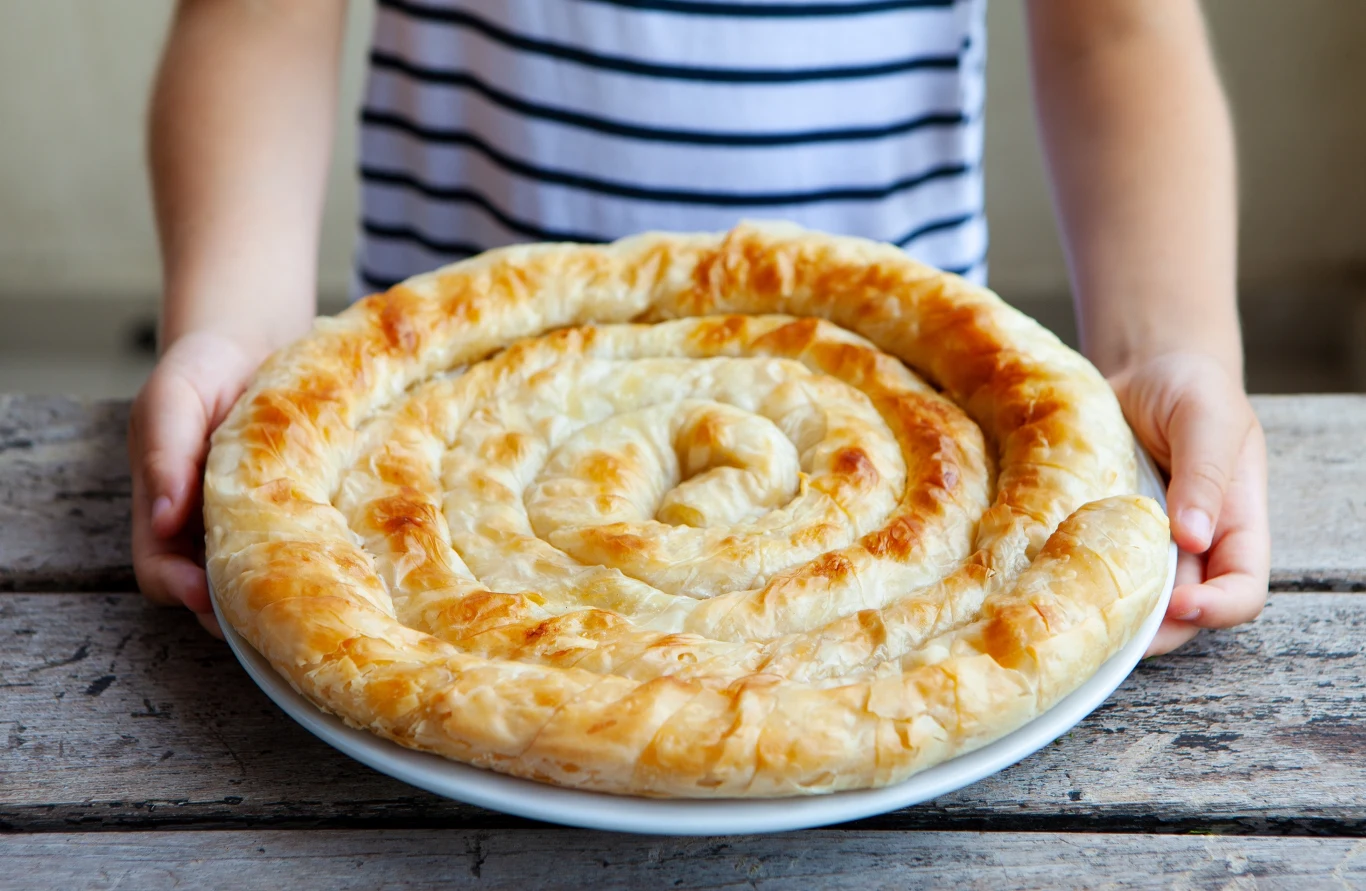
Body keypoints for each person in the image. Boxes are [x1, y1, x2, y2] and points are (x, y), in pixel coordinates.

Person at [130, 0, 1268, 657]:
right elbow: (257, 15)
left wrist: (1161, 349)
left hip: (916, 462)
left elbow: (1114, 34)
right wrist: (241, 333)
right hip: (422, 470)